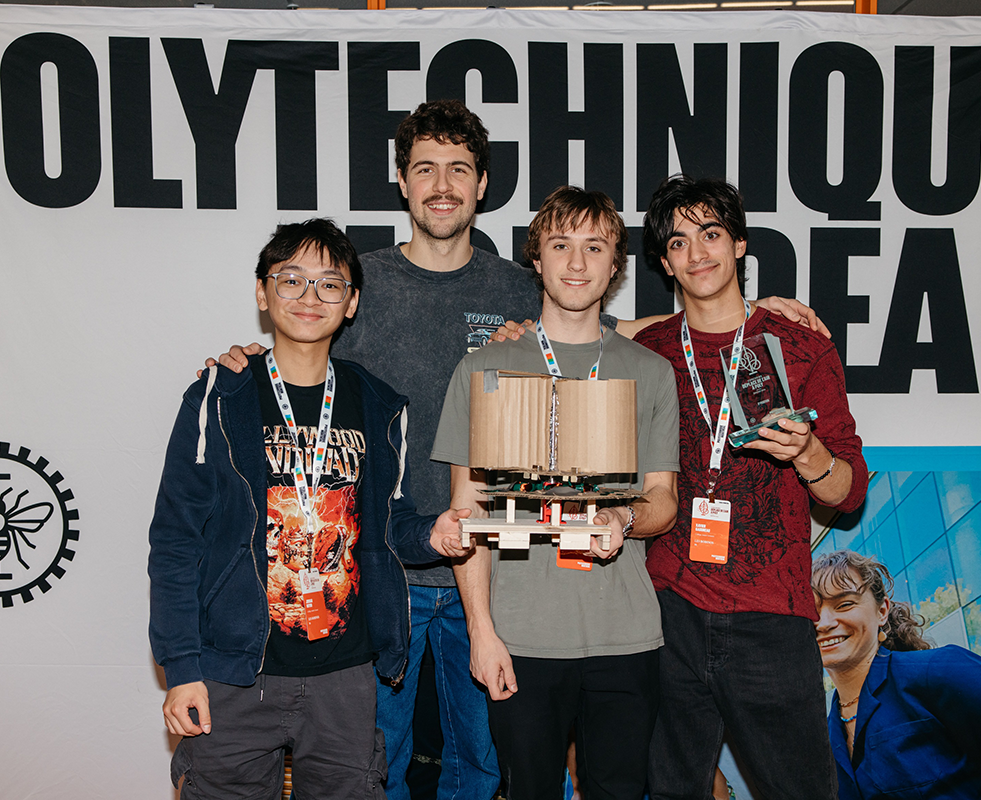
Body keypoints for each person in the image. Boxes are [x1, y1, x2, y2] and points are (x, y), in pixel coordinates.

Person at [206, 100, 823, 800]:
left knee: (485, 771)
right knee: (371, 766)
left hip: (498, 578)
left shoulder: (513, 285)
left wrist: (752, 311)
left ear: (482, 184)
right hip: (387, 567)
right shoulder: (358, 284)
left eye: (460, 169)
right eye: (426, 168)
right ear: (401, 182)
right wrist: (252, 357)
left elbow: (605, 326)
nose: (443, 183)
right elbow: (304, 332)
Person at [148, 219, 469, 798]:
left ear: (351, 303)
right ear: (261, 292)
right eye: (290, 280)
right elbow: (175, 540)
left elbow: (388, 525)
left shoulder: (377, 404)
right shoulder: (220, 396)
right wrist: (183, 668)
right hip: (235, 671)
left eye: (329, 284)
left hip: (344, 676)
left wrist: (434, 534)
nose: (309, 297)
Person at [432, 186, 680, 799]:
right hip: (521, 639)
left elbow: (664, 501)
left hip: (626, 638)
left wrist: (622, 519)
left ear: (615, 264)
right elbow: (467, 514)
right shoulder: (484, 368)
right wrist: (482, 633)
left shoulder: (649, 371)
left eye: (594, 247)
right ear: (535, 260)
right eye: (560, 245)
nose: (576, 263)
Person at [632, 174, 869, 800]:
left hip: (773, 611)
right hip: (668, 607)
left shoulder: (798, 345)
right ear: (664, 262)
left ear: (739, 244)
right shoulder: (649, 350)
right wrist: (517, 331)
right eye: (679, 242)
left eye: (712, 234)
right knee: (669, 789)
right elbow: (571, 330)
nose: (698, 252)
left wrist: (810, 453)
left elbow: (847, 492)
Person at [811, 549, 981, 800]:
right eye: (810, 613)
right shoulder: (823, 735)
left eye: (844, 604)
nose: (823, 623)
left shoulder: (945, 671)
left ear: (882, 611)